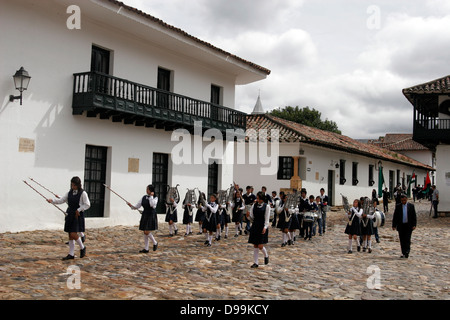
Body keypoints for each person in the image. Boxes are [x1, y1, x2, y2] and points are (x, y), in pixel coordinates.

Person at [48, 176, 90, 260]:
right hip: (70, 214)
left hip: (77, 215)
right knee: (70, 235)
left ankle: (82, 247)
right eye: (72, 185)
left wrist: (79, 209)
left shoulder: (83, 193)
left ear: (78, 185)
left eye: (74, 185)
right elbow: (61, 200)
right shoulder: (69, 193)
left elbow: (87, 204)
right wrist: (52, 201)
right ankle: (71, 254)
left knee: (73, 234)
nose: (72, 186)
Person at [128, 185, 158, 253]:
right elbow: (137, 206)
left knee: (146, 231)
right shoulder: (144, 197)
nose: (146, 190)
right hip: (145, 214)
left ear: (151, 190)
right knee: (145, 231)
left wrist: (151, 197)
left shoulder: (155, 198)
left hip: (151, 215)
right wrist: (131, 206)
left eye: (147, 189)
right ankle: (146, 248)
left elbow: (152, 205)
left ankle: (155, 242)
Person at [247, 191, 270, 268]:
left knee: (260, 245)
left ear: (262, 199)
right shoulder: (254, 205)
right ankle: (255, 262)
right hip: (255, 226)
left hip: (262, 226)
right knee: (255, 245)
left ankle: (266, 255)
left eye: (259, 198)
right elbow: (252, 218)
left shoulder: (267, 206)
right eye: (257, 198)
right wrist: (248, 216)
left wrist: (265, 227)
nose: (257, 200)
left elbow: (267, 219)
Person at [392, 194, 417, 259]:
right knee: (402, 239)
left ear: (406, 199)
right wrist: (394, 225)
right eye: (402, 200)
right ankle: (403, 252)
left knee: (407, 239)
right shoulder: (398, 206)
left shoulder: (411, 206)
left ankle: (407, 252)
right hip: (401, 225)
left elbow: (414, 216)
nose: (403, 201)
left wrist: (414, 224)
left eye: (404, 200)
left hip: (408, 225)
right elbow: (395, 216)